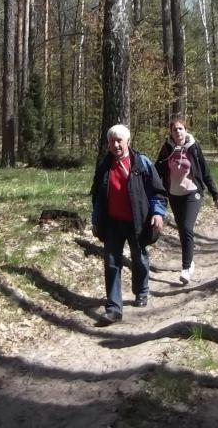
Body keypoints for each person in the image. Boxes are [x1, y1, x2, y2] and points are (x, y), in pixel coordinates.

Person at [90, 124, 167, 325]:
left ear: (128, 142)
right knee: (111, 263)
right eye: (112, 141)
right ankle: (114, 308)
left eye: (119, 141)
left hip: (138, 221)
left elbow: (156, 191)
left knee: (139, 258)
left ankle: (141, 291)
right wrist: (96, 221)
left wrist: (158, 213)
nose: (115, 145)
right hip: (112, 223)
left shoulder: (141, 162)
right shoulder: (104, 166)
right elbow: (98, 197)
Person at [154, 116, 218, 285]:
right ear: (171, 132)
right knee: (182, 230)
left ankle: (185, 268)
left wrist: (216, 194)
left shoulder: (193, 147)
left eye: (180, 129)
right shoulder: (167, 148)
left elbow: (205, 171)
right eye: (174, 129)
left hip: (193, 193)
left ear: (186, 131)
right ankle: (190, 260)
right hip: (174, 194)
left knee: (186, 227)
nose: (178, 132)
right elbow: (157, 170)